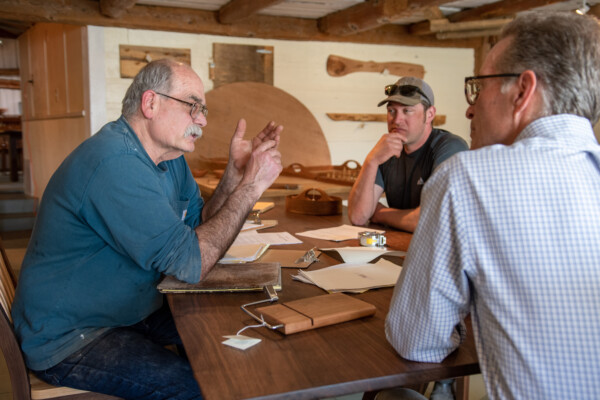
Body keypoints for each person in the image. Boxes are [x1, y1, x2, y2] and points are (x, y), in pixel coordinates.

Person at [11, 59, 283, 399]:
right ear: (150, 103)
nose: (202, 120)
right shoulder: (116, 163)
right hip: (71, 334)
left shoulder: (169, 159)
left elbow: (199, 230)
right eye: (192, 106)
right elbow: (193, 264)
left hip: (128, 311)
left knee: (240, 337)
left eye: (204, 109)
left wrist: (235, 177)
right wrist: (253, 188)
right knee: (202, 387)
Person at [384, 11, 600, 400]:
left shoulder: (469, 177)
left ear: (522, 91)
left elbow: (416, 342)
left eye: (477, 87)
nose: (470, 108)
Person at [348, 77, 467, 233]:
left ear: (430, 114)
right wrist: (372, 160)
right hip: (401, 248)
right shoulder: (386, 150)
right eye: (391, 111)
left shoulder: (450, 147)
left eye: (407, 111)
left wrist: (379, 213)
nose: (397, 120)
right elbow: (358, 216)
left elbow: (432, 220)